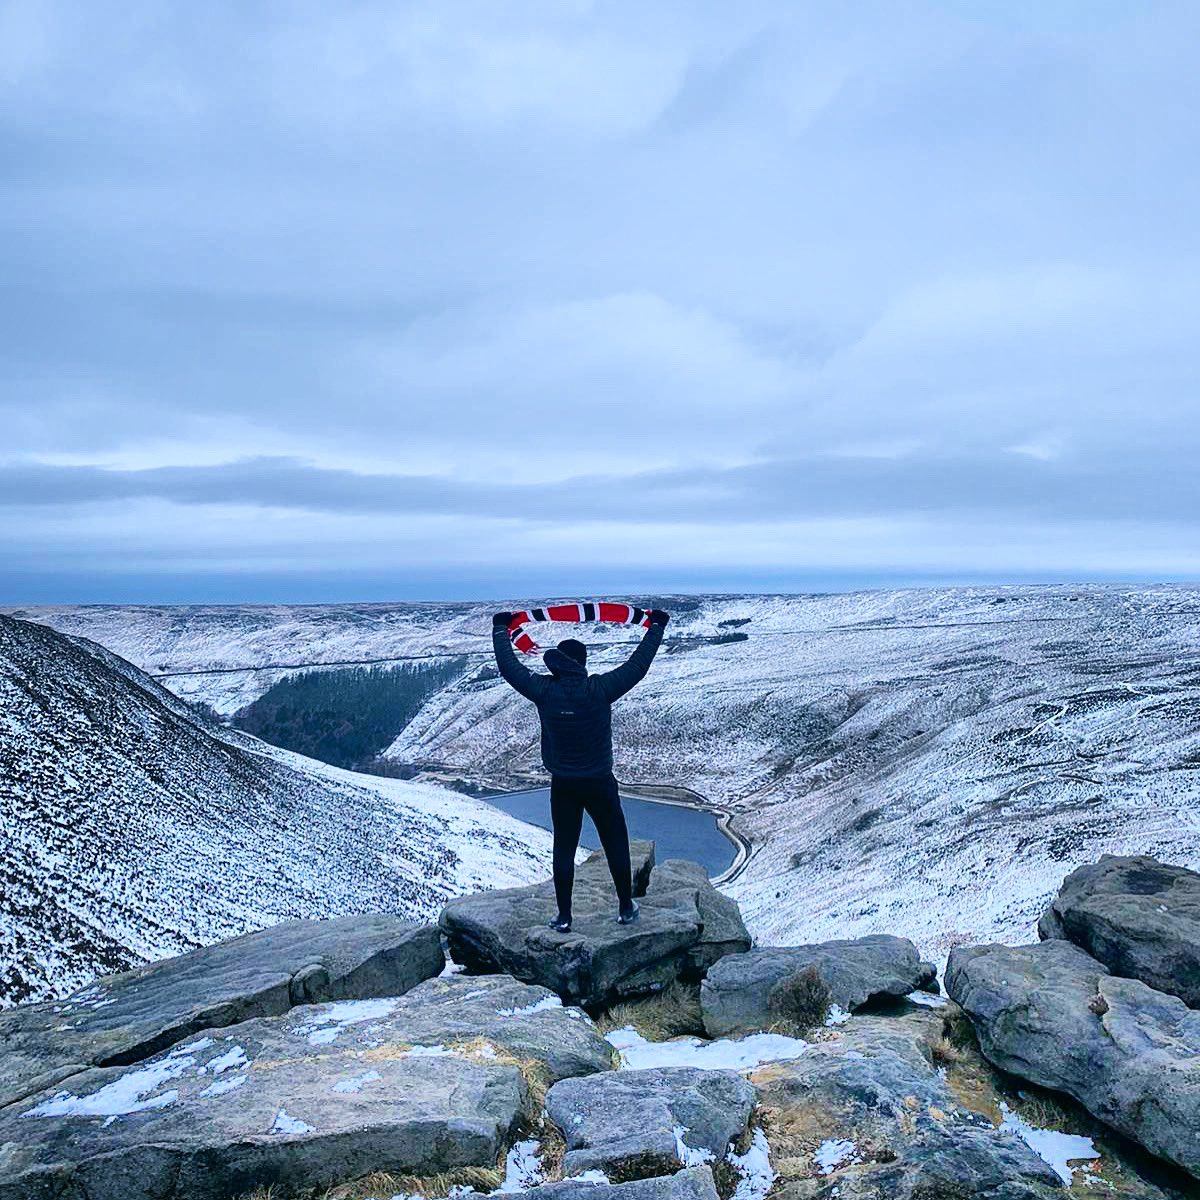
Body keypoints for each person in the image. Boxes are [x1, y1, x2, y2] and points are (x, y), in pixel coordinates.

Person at [491, 607, 669, 931]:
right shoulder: (599, 690)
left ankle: (564, 917)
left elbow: (509, 667)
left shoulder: (544, 690)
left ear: (559, 663)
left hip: (564, 785)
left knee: (564, 847)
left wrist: (500, 628)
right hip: (600, 782)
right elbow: (638, 665)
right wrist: (656, 626)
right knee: (615, 841)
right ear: (583, 664)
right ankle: (626, 907)